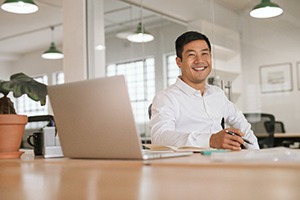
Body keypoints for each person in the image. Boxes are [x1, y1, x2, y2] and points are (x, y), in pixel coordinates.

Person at [149, 31, 259, 150]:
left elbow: (241, 124)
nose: (199, 60)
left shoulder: (217, 93)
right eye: (191, 55)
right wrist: (210, 140)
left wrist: (257, 155)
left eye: (204, 54)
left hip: (222, 162)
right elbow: (160, 137)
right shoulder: (166, 98)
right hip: (190, 165)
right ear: (179, 62)